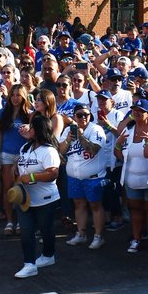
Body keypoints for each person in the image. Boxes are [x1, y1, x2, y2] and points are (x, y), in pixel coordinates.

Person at [12, 114, 62, 279]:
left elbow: (53, 173)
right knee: (26, 231)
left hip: (45, 198)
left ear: (38, 130)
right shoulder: (25, 148)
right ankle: (29, 264)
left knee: (46, 229)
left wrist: (32, 177)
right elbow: (20, 168)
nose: (29, 129)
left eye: (32, 127)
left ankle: (48, 255)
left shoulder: (49, 151)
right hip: (26, 198)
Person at [116, 100, 148, 256]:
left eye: (140, 110)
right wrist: (118, 144)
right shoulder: (128, 130)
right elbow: (119, 156)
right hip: (131, 181)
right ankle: (136, 239)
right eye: (134, 110)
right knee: (135, 211)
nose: (136, 113)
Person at [62, 105, 108, 250]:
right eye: (79, 115)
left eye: (86, 114)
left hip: (93, 176)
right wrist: (69, 140)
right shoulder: (68, 131)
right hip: (74, 176)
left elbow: (93, 150)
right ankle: (81, 234)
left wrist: (80, 136)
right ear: (74, 116)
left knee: (95, 204)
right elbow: (60, 150)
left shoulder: (96, 130)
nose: (83, 117)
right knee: (78, 204)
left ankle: (98, 236)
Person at [0, 85, 31, 236]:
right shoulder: (3, 113)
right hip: (7, 154)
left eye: (19, 95)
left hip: (24, 155)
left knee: (24, 189)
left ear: (24, 97)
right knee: (8, 188)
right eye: (13, 95)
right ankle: (10, 221)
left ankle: (23, 221)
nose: (16, 98)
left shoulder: (30, 115)